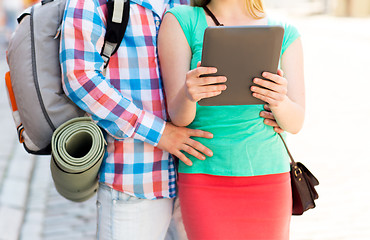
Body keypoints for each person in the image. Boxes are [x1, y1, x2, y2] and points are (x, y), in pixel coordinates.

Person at [60, 0, 283, 239]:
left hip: (198, 178)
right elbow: (80, 79)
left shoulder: (187, 3)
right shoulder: (92, 3)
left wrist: (273, 110)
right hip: (137, 178)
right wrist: (160, 133)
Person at [158, 0, 305, 239]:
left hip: (269, 176)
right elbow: (179, 118)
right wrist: (188, 94)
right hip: (204, 176)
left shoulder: (285, 32)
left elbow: (296, 122)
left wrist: (279, 101)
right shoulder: (181, 21)